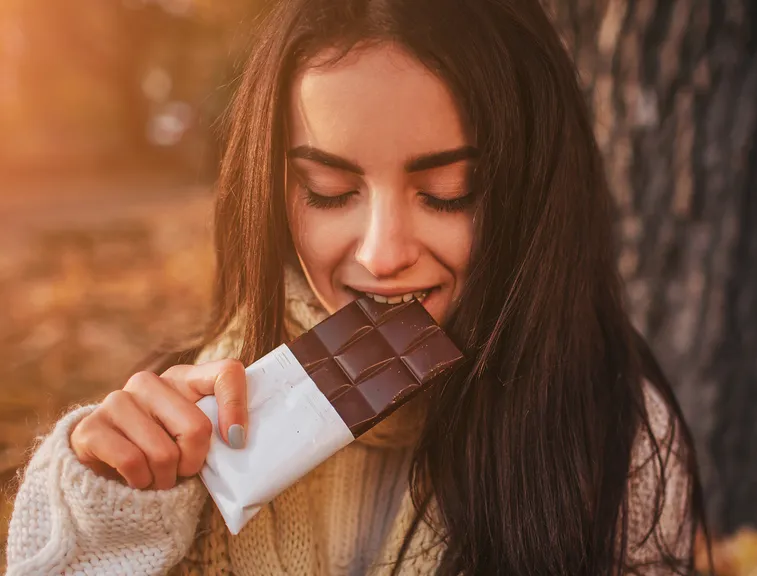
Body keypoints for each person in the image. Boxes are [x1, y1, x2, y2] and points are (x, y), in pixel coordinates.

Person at [6, 0, 704, 573]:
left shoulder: (616, 439)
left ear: (531, 193)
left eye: (447, 193)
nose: (384, 252)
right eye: (330, 192)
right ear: (276, 190)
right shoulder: (188, 426)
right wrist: (104, 517)